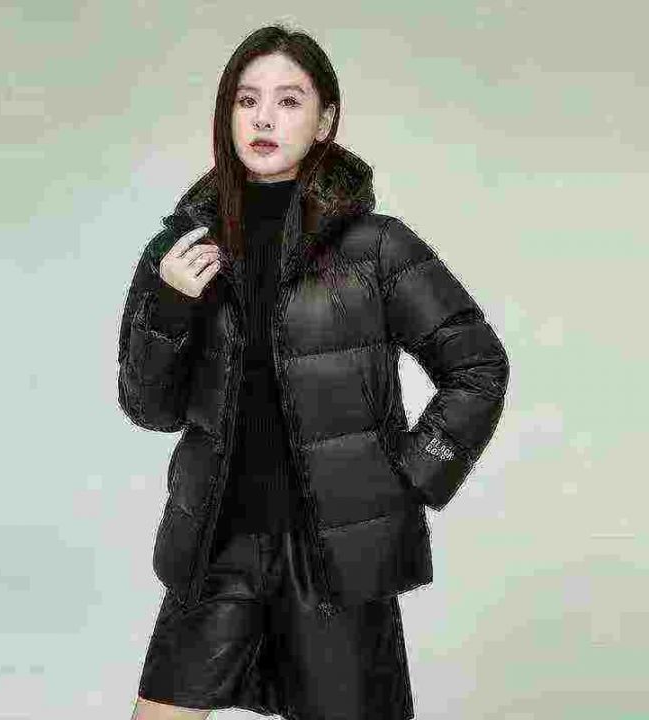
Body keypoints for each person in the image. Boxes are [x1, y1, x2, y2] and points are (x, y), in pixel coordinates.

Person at [118, 24, 510, 720]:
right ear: (226, 115)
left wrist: (409, 477)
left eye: (289, 100)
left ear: (325, 120)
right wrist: (171, 308)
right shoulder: (180, 250)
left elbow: (477, 365)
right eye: (247, 100)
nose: (264, 118)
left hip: (334, 558)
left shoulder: (378, 248)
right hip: (218, 543)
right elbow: (148, 408)